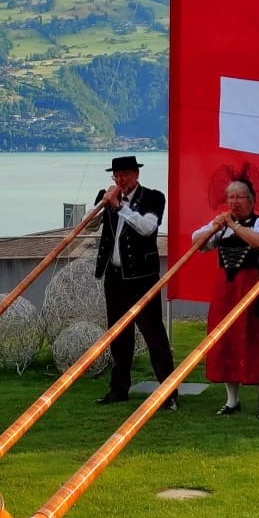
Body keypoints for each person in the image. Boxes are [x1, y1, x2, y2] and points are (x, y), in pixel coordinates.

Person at [92, 156, 177, 408]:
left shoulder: (153, 197)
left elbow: (147, 228)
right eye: (117, 176)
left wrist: (121, 207)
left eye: (125, 175)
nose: (121, 180)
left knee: (154, 336)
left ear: (136, 175)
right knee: (118, 335)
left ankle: (168, 394)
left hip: (142, 278)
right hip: (115, 277)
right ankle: (119, 390)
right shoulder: (108, 196)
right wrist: (103, 203)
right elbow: (89, 224)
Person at [191, 180, 259, 418]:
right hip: (226, 290)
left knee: (258, 340)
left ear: (251, 200)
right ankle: (232, 400)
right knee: (225, 341)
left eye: (239, 197)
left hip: (252, 288)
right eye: (230, 197)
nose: (233, 202)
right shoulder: (221, 225)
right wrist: (215, 228)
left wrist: (233, 225)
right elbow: (198, 243)